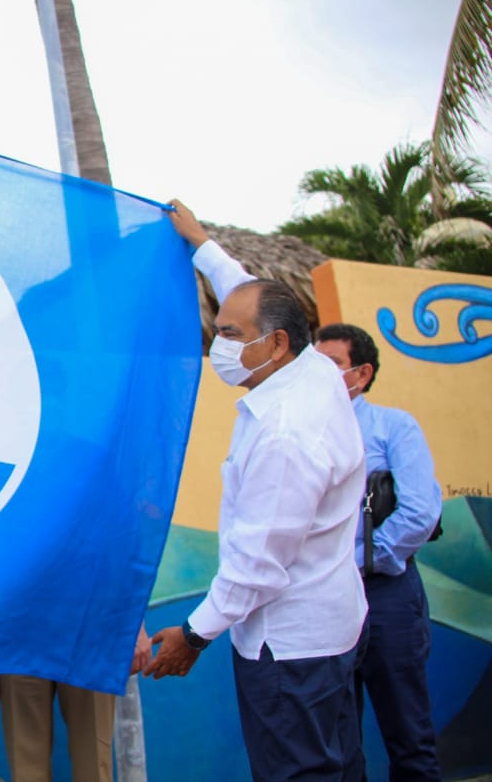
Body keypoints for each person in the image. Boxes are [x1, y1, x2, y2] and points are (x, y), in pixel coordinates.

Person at [143, 200, 368, 782]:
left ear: (276, 344)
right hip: (332, 630)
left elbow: (259, 563)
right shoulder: (312, 367)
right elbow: (243, 287)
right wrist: (200, 242)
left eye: (230, 335)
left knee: (298, 772)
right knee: (340, 766)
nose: (219, 343)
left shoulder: (284, 434)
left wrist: (193, 635)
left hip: (289, 650)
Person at [314, 322, 443, 781]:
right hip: (325, 600)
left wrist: (358, 560)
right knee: (339, 740)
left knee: (408, 733)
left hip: (385, 594)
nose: (321, 375)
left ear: (362, 373)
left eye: (333, 364)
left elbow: (420, 513)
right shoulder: (302, 431)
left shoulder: (394, 427)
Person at [0, 626, 152, 782]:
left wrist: (136, 626)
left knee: (93, 762)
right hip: (19, 628)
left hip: (91, 625)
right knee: (26, 768)